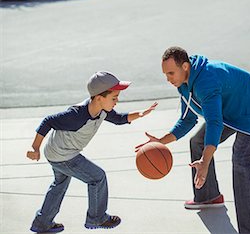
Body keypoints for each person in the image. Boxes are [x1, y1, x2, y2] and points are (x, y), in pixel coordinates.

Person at [136, 46, 250, 234]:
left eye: (170, 73)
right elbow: (188, 119)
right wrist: (160, 141)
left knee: (241, 161)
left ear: (185, 66)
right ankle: (208, 196)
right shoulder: (184, 84)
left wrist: (205, 161)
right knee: (197, 142)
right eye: (165, 74)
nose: (168, 79)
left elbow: (214, 122)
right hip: (232, 110)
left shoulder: (206, 80)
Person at [27, 71, 157, 233]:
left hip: (57, 152)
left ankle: (42, 223)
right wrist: (35, 148)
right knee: (97, 177)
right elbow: (48, 121)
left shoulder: (102, 110)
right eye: (114, 98)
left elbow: (119, 119)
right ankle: (96, 218)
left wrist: (140, 114)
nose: (117, 101)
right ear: (99, 98)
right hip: (63, 155)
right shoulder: (77, 115)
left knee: (59, 185)